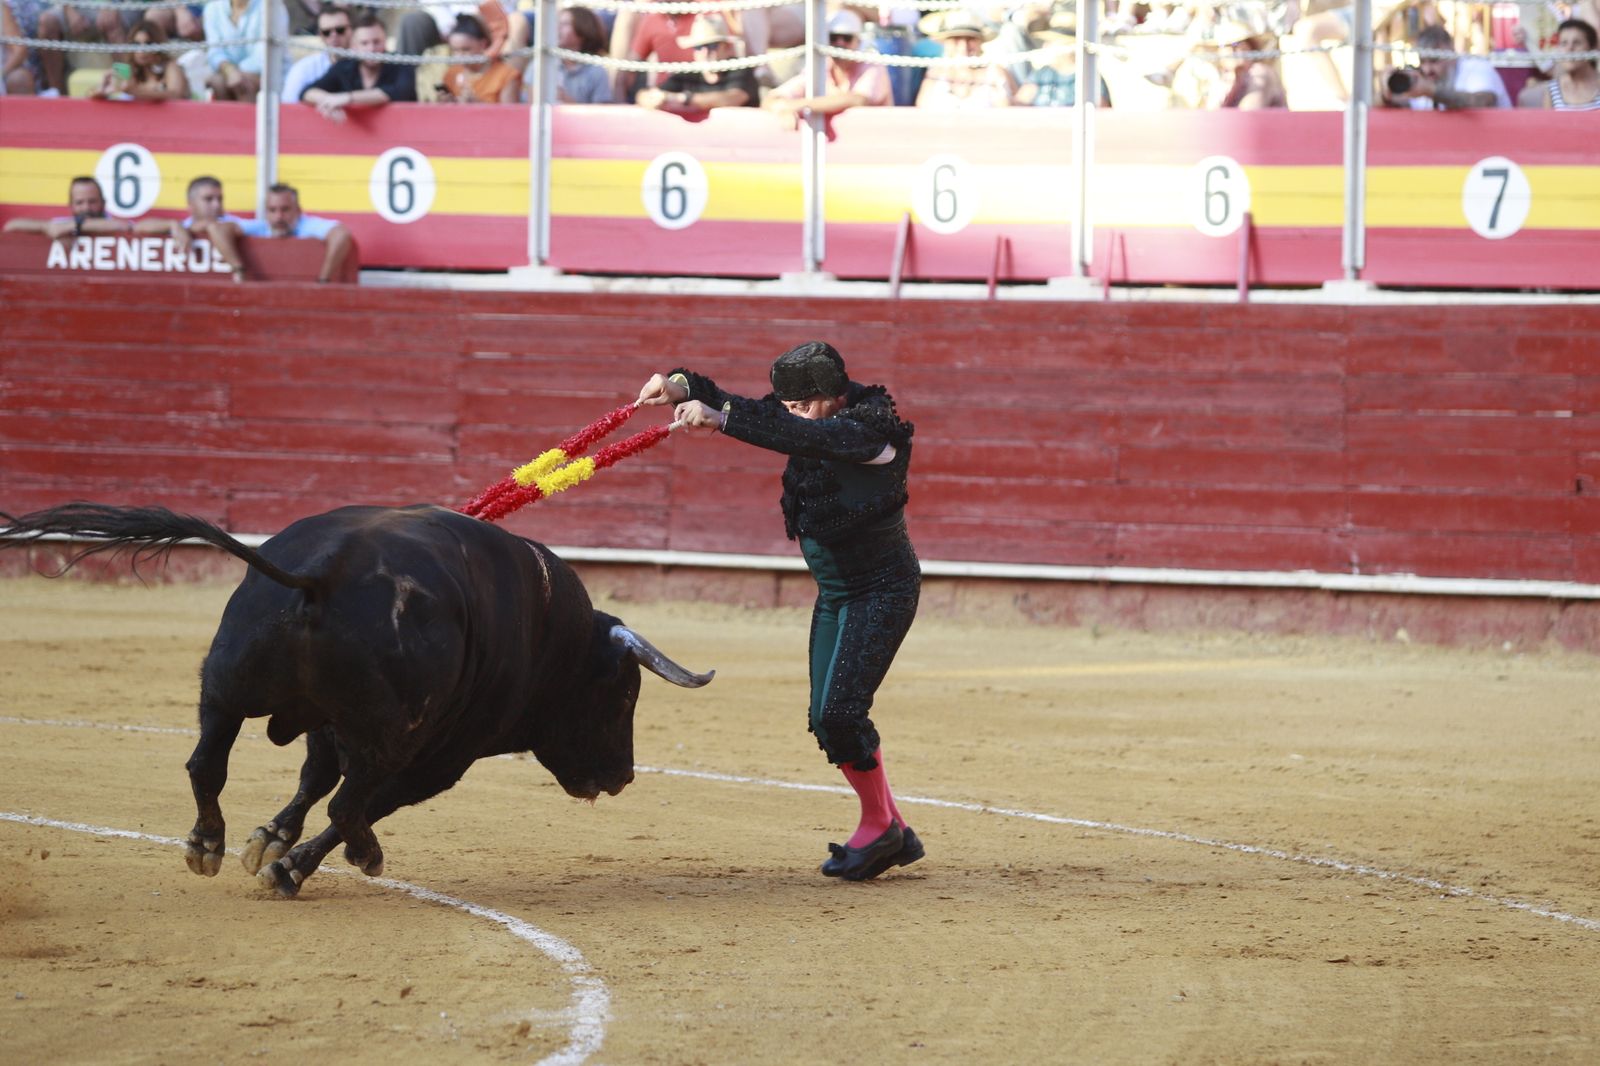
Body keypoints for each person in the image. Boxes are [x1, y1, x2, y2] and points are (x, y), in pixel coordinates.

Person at [636, 342, 925, 883]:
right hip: (836, 595)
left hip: (882, 591)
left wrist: (722, 420)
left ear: (835, 395)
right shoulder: (808, 415)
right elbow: (757, 411)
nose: (794, 414)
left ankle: (879, 825)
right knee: (825, 716)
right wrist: (679, 385)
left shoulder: (871, 430)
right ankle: (894, 828)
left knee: (840, 713)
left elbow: (805, 436)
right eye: (788, 405)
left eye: (803, 404)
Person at [764, 9, 893, 126]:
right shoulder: (821, 66)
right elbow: (772, 98)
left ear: (858, 41)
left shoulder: (872, 66)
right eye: (833, 37)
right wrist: (782, 109)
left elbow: (858, 99)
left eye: (847, 38)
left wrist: (799, 105)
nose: (840, 43)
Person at [302, 13, 417, 121]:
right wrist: (329, 101)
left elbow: (398, 91)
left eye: (376, 42)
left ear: (385, 42)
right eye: (364, 43)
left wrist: (347, 98)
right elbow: (307, 92)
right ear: (354, 46)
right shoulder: (344, 67)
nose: (371, 49)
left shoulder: (400, 63)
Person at [134, 174, 248, 281]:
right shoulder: (181, 227)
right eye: (208, 199)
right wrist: (172, 224)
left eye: (220, 199)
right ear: (190, 203)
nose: (217, 205)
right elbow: (138, 227)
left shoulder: (237, 224)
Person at [635, 13, 758, 112]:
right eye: (699, 47)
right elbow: (650, 95)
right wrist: (649, 99)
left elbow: (733, 98)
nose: (705, 52)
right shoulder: (689, 73)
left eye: (712, 46)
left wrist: (683, 99)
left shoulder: (739, 68)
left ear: (726, 47)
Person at [239, 183, 355, 283]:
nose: (279, 216)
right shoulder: (261, 226)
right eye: (272, 210)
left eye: (285, 209)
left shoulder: (306, 225)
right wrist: (238, 268)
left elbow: (341, 234)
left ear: (298, 210)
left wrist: (323, 279)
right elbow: (226, 228)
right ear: (266, 212)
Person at [1384, 24, 1511, 109]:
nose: (1427, 69)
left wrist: (1431, 91)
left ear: (1451, 53)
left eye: (1434, 61)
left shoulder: (1477, 66)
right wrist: (1386, 93)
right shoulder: (1422, 79)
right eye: (1422, 61)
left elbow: (1480, 102)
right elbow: (1395, 104)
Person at [914, 8, 1015, 109]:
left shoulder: (996, 73)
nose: (964, 47)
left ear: (980, 42)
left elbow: (1012, 111)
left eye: (970, 39)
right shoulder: (935, 74)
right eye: (956, 39)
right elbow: (920, 111)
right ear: (945, 43)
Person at [1012, 7, 1112, 106]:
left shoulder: (1089, 78)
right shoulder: (1042, 74)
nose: (1045, 46)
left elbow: (1099, 110)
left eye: (1051, 42)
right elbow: (1018, 104)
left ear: (1069, 46)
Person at [200, 0, 286, 102]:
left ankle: (253, 113)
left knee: (243, 84)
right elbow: (214, 51)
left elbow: (264, 57)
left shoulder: (272, 7)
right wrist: (230, 71)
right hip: (230, 73)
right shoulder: (212, 8)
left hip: (269, 76)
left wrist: (235, 73)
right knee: (217, 82)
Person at [3, 176, 132, 243]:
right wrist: (46, 227)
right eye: (79, 202)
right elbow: (11, 226)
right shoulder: (63, 224)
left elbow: (124, 226)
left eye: (92, 201)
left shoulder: (115, 223)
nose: (86, 207)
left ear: (103, 203)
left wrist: (75, 226)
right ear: (71, 205)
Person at [92, 18, 190, 100]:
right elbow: (93, 94)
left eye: (148, 44)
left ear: (158, 46)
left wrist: (136, 92)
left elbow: (177, 95)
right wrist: (103, 89)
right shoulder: (129, 70)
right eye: (136, 44)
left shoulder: (170, 66)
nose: (141, 50)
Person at [440, 12, 521, 103]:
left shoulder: (507, 75)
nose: (459, 55)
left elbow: (509, 111)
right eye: (455, 50)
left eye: (466, 49)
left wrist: (477, 105)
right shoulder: (452, 73)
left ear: (483, 44)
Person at [282, 5, 351, 104]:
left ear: (352, 30)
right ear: (320, 35)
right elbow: (289, 106)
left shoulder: (366, 65)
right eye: (326, 32)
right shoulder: (303, 69)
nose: (334, 36)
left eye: (340, 30)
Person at [1210, 19, 1286, 109]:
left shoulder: (1260, 72)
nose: (1231, 49)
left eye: (1236, 43)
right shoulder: (1224, 80)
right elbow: (1211, 112)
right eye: (1223, 45)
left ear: (1250, 46)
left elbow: (1249, 112)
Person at [556, 5, 612, 103]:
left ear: (582, 29)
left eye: (565, 24)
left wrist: (568, 102)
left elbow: (602, 110)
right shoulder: (543, 65)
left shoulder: (597, 72)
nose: (558, 28)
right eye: (558, 23)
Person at [1540, 17, 1600, 109]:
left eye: (1577, 43)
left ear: (1591, 49)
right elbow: (1547, 118)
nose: (1569, 49)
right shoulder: (1551, 90)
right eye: (1564, 43)